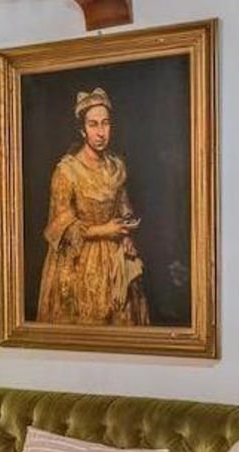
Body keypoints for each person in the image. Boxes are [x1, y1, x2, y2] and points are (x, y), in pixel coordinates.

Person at [37, 87, 150, 326]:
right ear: (82, 130)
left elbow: (124, 208)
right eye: (93, 125)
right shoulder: (67, 171)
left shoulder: (116, 166)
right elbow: (61, 227)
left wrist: (126, 235)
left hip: (115, 260)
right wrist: (105, 230)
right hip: (78, 262)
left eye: (105, 124)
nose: (100, 132)